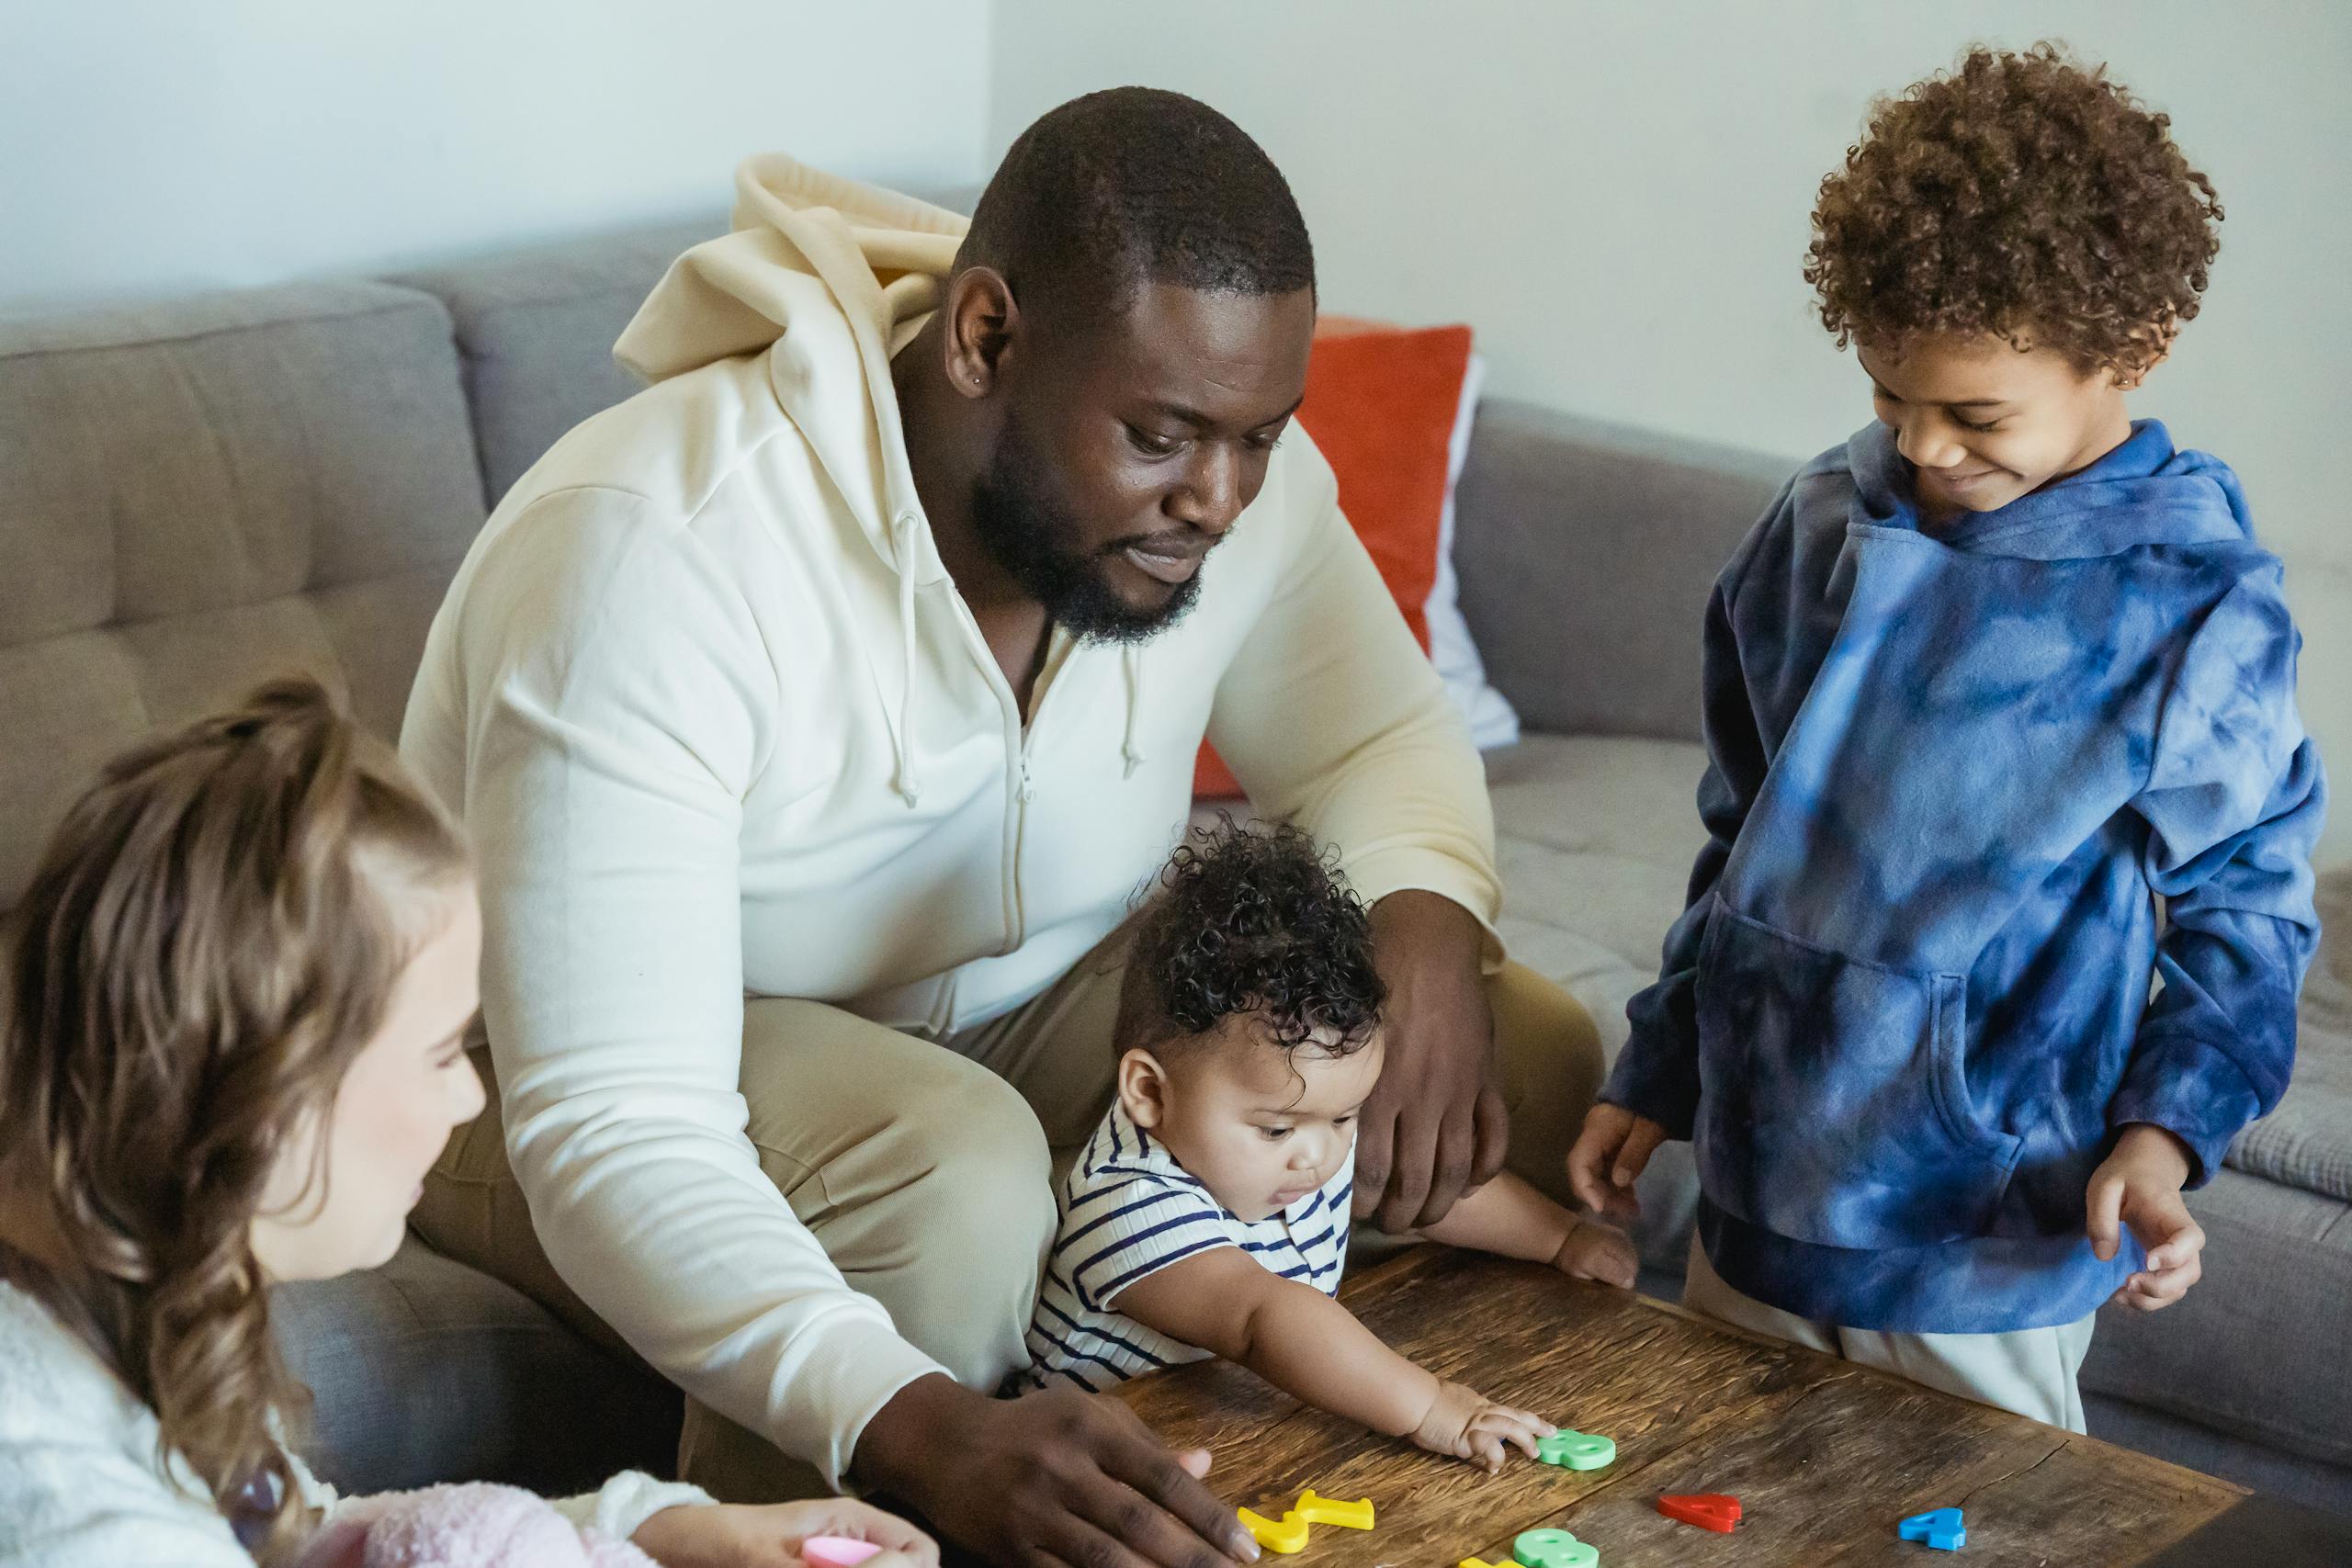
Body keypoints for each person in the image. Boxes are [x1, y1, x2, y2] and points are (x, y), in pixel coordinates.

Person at [398, 85, 1607, 1564]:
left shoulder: (1224, 493)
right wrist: (922, 1423)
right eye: (1163, 436)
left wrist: (1424, 914)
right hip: (548, 1075)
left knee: (1513, 1047)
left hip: (1017, 998)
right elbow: (614, 1118)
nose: (1220, 501)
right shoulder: (658, 545)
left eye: (1260, 439)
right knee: (952, 1180)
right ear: (984, 339)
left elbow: (1370, 733)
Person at [1567, 44, 2325, 1431]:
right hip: (1753, 1198)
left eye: (1975, 414)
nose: (1920, 447)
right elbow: (1739, 834)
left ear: (2132, 353)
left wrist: (2164, 1133)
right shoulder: (1810, 529)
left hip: (1989, 1238)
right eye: (1886, 395)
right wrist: (1662, 1057)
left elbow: (2247, 922)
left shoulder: (2191, 605)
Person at [0, 680, 932, 1568]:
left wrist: (672, 1533)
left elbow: (298, 1541)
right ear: (273, 1094)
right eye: (444, 1052)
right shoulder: (72, 1515)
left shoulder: (135, 1311)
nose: (470, 1098)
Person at [1012, 821, 1634, 1472]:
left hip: (1232, 1431)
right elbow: (1263, 1318)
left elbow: (1433, 1192)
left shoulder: (1310, 1130)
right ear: (1148, 1090)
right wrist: (1430, 1405)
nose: (1319, 1155)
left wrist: (1561, 1237)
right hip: (1088, 1475)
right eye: (1276, 1128)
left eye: (1345, 1115)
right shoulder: (1128, 1202)